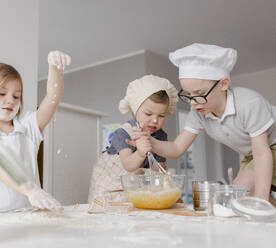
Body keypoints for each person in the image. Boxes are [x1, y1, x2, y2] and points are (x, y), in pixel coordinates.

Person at [131, 43, 276, 204]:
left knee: (247, 193)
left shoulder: (249, 104)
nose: (193, 102)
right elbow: (177, 148)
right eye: (188, 95)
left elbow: (262, 153)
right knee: (240, 192)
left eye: (199, 94)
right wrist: (150, 141)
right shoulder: (199, 112)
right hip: (253, 154)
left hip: (268, 147)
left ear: (223, 84)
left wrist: (260, 204)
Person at [0, 51, 71, 213]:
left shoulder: (28, 128)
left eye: (16, 96)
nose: (10, 100)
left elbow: (53, 97)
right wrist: (30, 190)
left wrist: (55, 69)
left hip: (28, 215)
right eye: (2, 94)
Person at [88, 74, 178, 202]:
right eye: (148, 113)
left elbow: (158, 167)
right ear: (135, 110)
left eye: (162, 116)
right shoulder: (123, 133)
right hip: (108, 188)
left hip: (133, 188)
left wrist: (163, 173)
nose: (154, 120)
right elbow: (129, 165)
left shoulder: (161, 136)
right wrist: (141, 152)